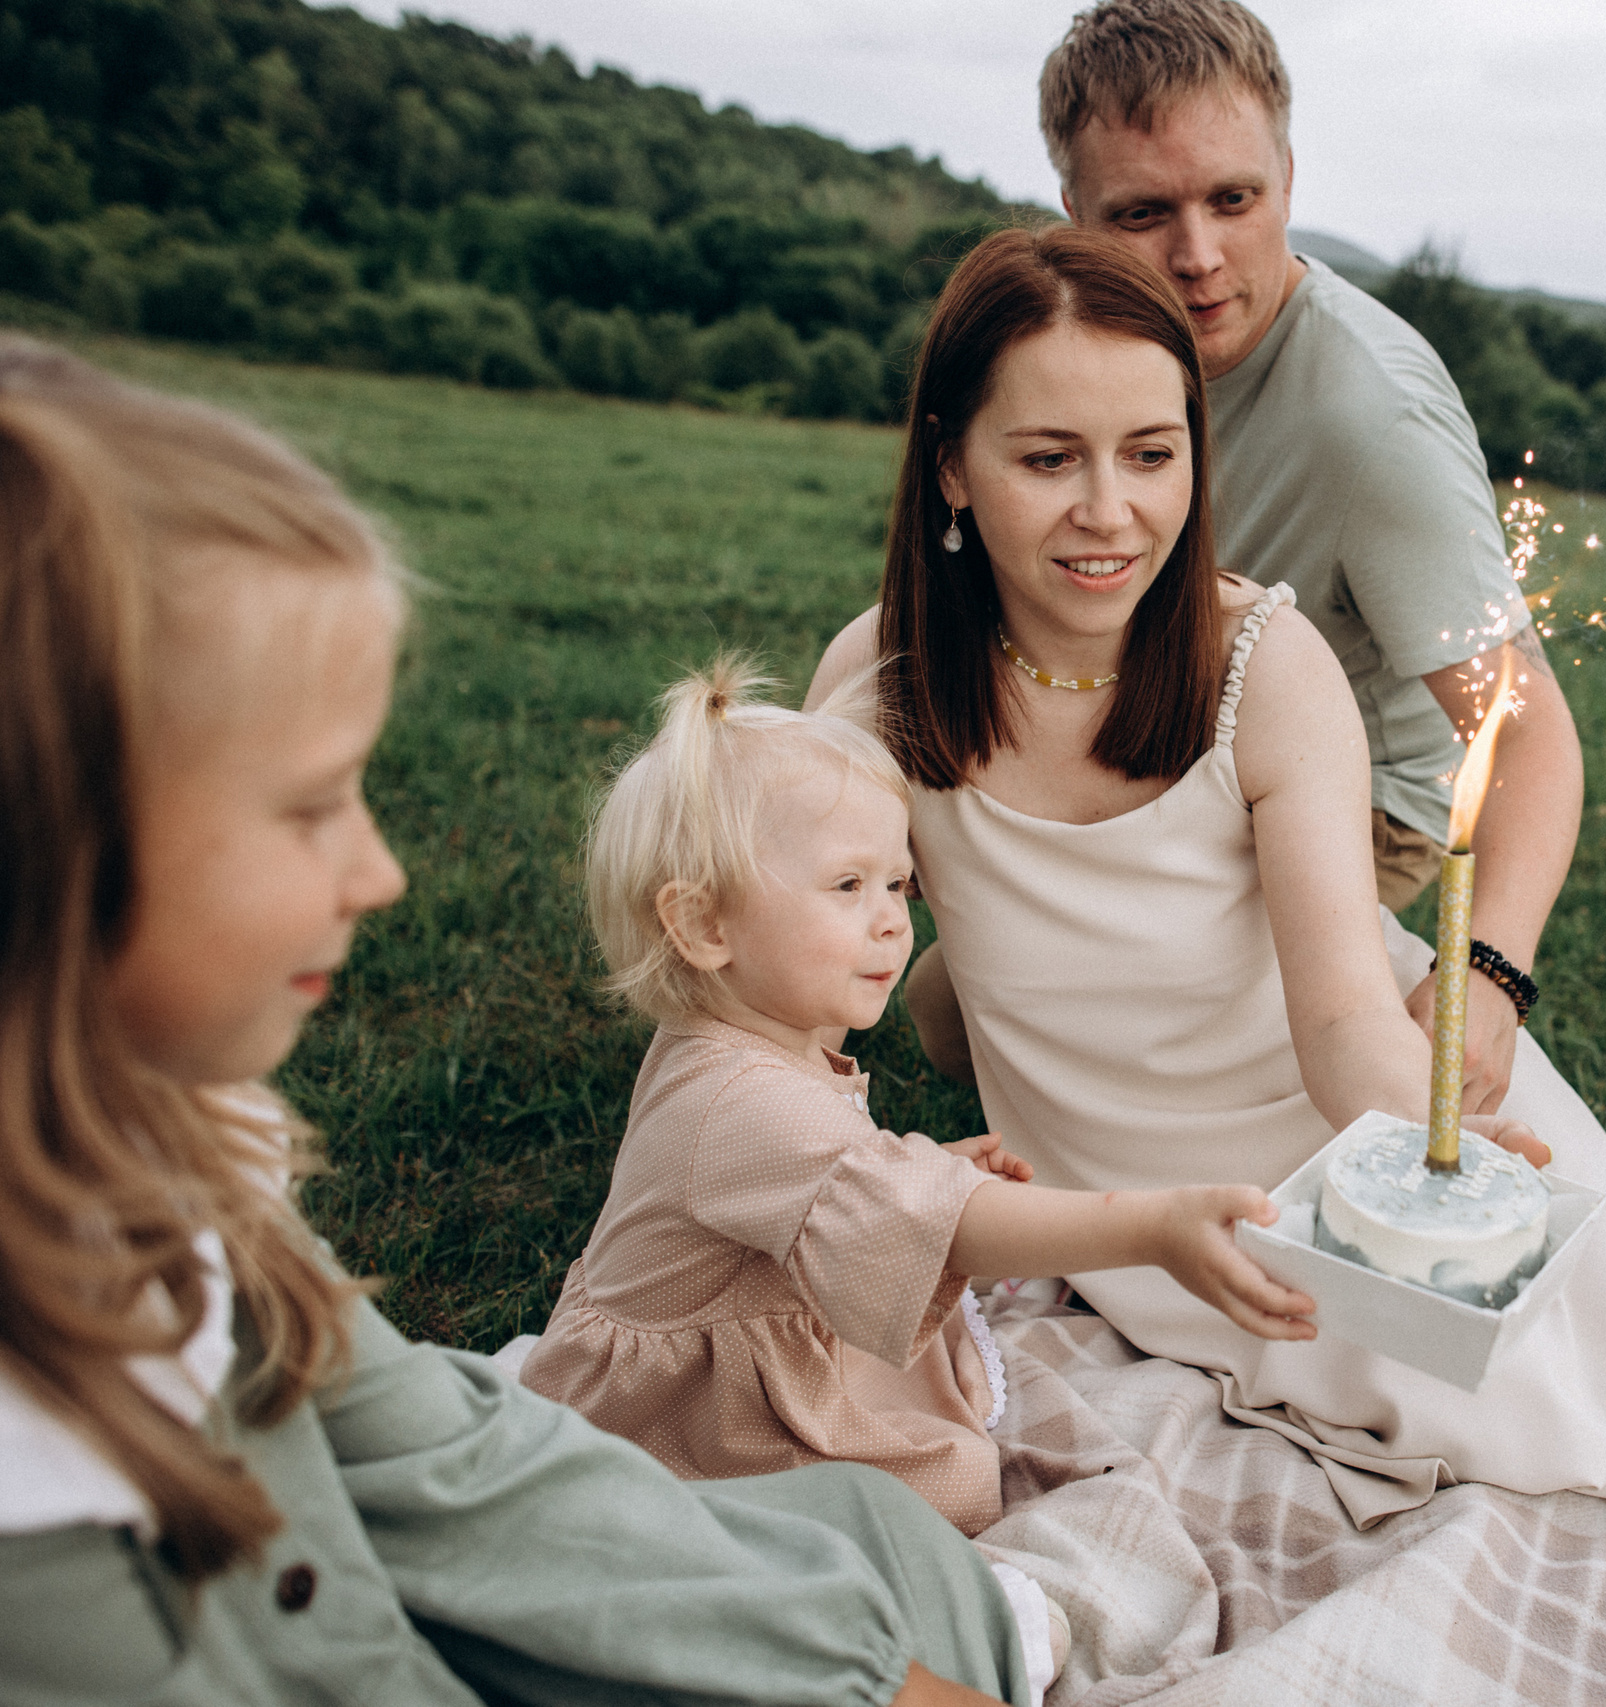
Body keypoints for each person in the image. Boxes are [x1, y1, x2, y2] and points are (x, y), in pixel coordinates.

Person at [0, 340, 1028, 1707]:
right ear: (44, 852)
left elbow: (458, 1463)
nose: (385, 872)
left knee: (887, 1548)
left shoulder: (169, 1167)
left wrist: (866, 1673)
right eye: (311, 807)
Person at [807, 225, 1606, 1526]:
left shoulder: (1265, 664)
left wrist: (1445, 1141)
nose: (1111, 510)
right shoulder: (876, 684)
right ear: (951, 469)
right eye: (1048, 458)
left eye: (1153, 453)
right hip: (1111, 1184)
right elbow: (792, 991)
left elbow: (1340, 1023)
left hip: (1336, 1133)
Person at [901, 0, 1584, 1127]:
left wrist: (1491, 975)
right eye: (1140, 213)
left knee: (1061, 1021)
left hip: (1345, 793)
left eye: (1234, 198)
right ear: (1072, 214)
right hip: (1139, 733)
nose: (1198, 255)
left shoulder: (1373, 425)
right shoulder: (1076, 352)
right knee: (947, 1011)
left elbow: (1526, 733)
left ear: (1288, 175)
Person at [517, 656, 1312, 1548]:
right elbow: (929, 1214)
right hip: (673, 1431)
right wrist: (1151, 1229)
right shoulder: (737, 1100)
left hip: (719, 1356)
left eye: (897, 883)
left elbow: (827, 1188)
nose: (894, 919)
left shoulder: (746, 1038)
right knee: (917, 1505)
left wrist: (919, 1170)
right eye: (848, 885)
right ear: (704, 926)